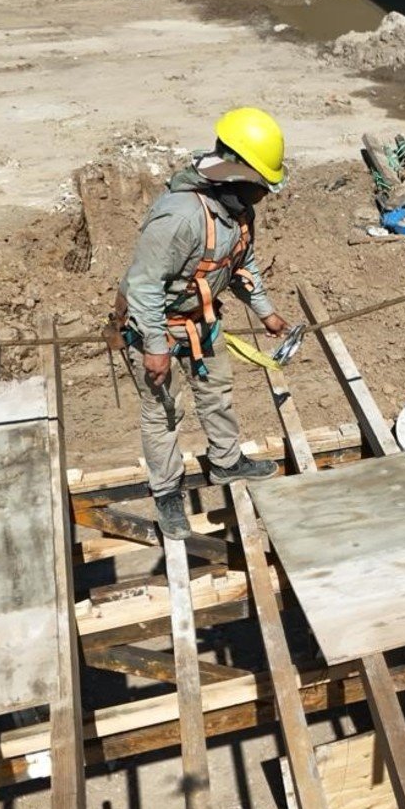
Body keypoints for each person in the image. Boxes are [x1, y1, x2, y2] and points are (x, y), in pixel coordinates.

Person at [113, 106, 292, 540]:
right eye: (259, 186)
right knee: (162, 412)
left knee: (217, 391)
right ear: (234, 176)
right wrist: (155, 345)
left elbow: (242, 263)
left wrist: (265, 311)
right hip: (154, 324)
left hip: (202, 321)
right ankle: (167, 494)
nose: (263, 195)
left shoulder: (236, 214)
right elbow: (143, 286)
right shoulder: (180, 217)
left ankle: (227, 462)